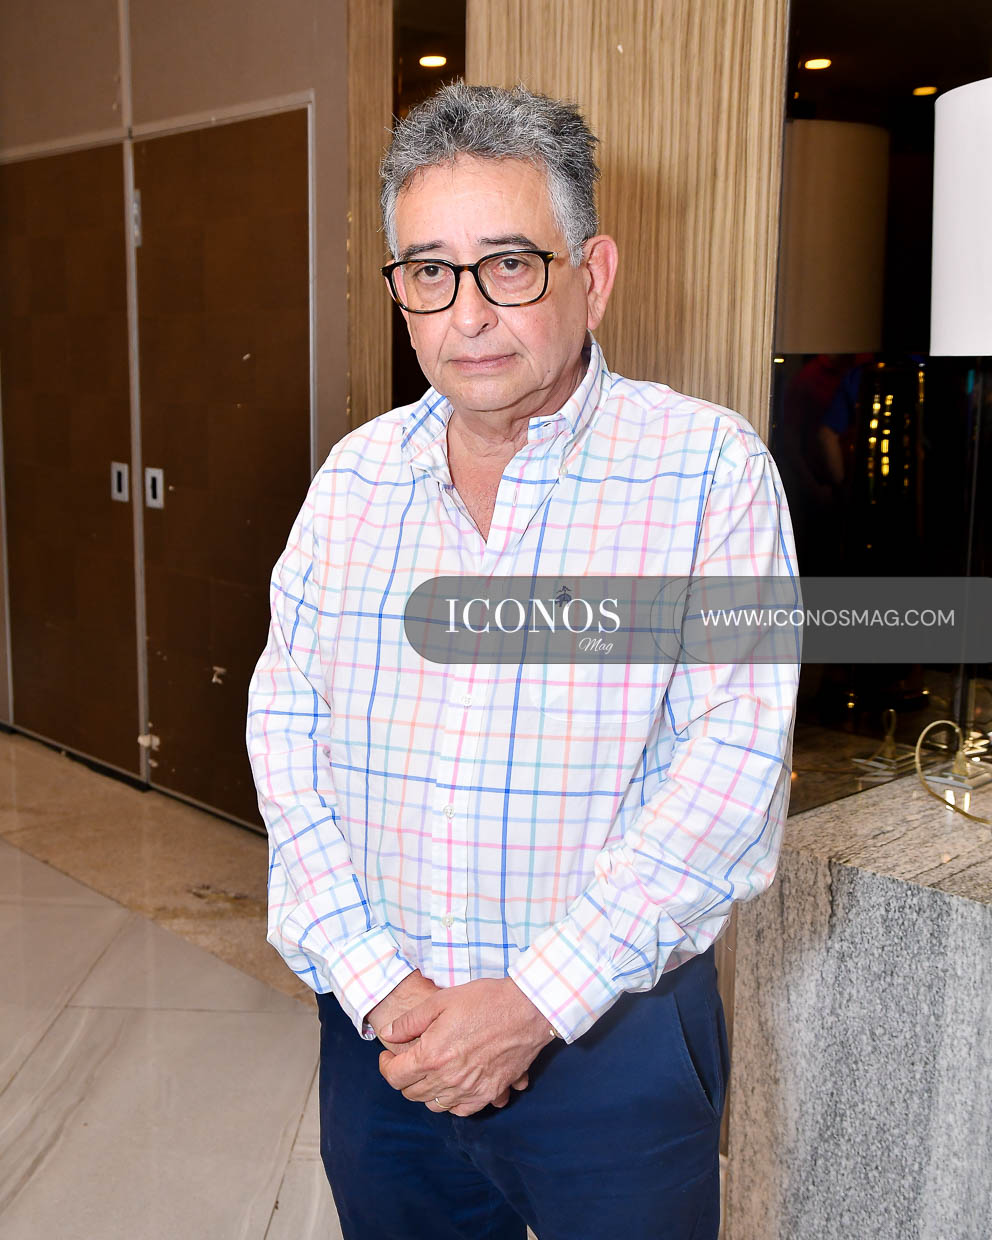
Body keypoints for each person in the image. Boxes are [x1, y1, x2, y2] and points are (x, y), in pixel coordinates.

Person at [246, 81, 799, 1240]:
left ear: (591, 275)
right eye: (428, 271)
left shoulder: (706, 471)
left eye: (507, 264)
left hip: (611, 1046)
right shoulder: (352, 482)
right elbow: (286, 738)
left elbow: (731, 770)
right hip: (384, 1044)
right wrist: (378, 986)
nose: (467, 315)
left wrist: (533, 1002)